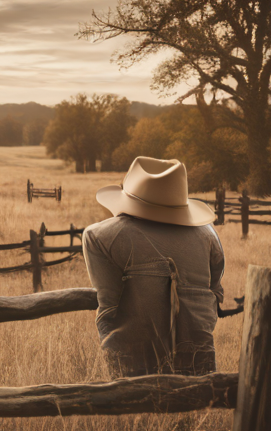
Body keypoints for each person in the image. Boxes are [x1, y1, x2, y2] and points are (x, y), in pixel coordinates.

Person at [82, 156, 225, 378]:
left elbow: (108, 304)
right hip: (200, 356)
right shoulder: (208, 234)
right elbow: (215, 292)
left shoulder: (98, 236)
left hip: (133, 361)